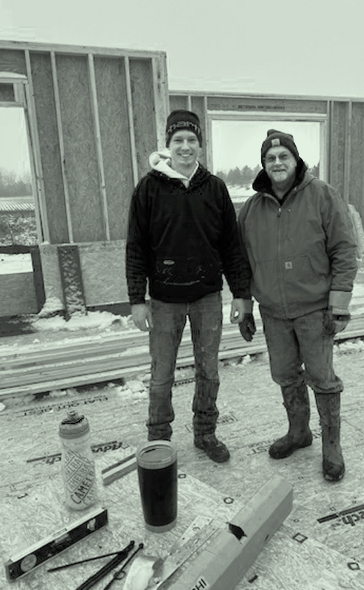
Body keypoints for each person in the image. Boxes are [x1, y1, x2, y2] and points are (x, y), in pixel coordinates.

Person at [126, 110, 252, 463]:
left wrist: (241, 293)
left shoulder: (214, 188)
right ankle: (159, 439)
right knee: (161, 375)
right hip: (164, 301)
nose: (185, 146)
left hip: (206, 298)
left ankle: (205, 433)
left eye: (191, 140)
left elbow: (231, 246)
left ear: (200, 144)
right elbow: (136, 246)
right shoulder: (149, 188)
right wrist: (138, 299)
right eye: (178, 140)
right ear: (168, 145)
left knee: (208, 371)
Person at [237, 129, 357, 481]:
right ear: (263, 164)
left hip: (314, 310)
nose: (277, 163)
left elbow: (344, 250)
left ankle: (331, 446)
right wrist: (245, 306)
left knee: (322, 379)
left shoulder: (321, 195)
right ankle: (299, 432)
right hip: (273, 313)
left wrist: (339, 305)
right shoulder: (252, 209)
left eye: (283, 157)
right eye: (270, 158)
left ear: (295, 160)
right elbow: (240, 262)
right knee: (286, 375)